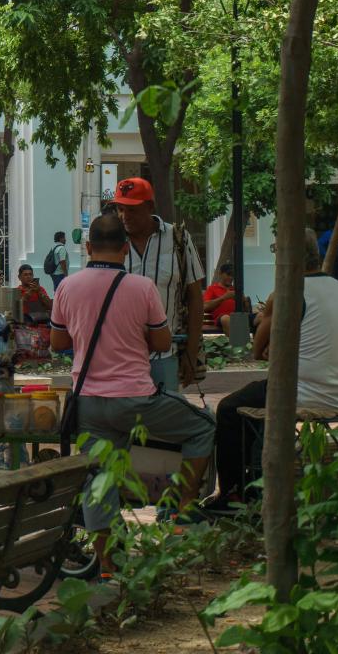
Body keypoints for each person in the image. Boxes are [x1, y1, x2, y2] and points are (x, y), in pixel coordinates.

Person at [50, 213, 216, 571]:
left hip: (88, 403)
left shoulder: (67, 287)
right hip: (137, 400)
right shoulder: (142, 288)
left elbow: (58, 342)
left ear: (88, 247)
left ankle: (108, 568)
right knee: (204, 425)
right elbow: (162, 341)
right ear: (125, 249)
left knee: (99, 483)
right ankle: (184, 507)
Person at [206, 228, 338, 510]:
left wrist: (266, 325)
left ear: (286, 257)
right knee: (252, 401)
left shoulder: (288, 292)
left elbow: (257, 351)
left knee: (228, 409)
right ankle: (251, 485)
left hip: (300, 392)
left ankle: (232, 495)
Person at [113, 177, 205, 390]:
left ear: (150, 207)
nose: (125, 216)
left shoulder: (178, 239)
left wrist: (191, 352)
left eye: (132, 210)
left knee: (166, 409)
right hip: (120, 358)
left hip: (165, 356)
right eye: (120, 209)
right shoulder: (112, 242)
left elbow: (195, 298)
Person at [203, 262, 237, 336]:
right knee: (226, 318)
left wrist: (245, 301)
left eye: (232, 275)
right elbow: (205, 306)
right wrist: (224, 297)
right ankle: (237, 343)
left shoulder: (236, 290)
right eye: (228, 274)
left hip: (238, 318)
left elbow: (246, 310)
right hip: (222, 318)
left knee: (260, 316)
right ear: (220, 274)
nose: (231, 278)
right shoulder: (212, 289)